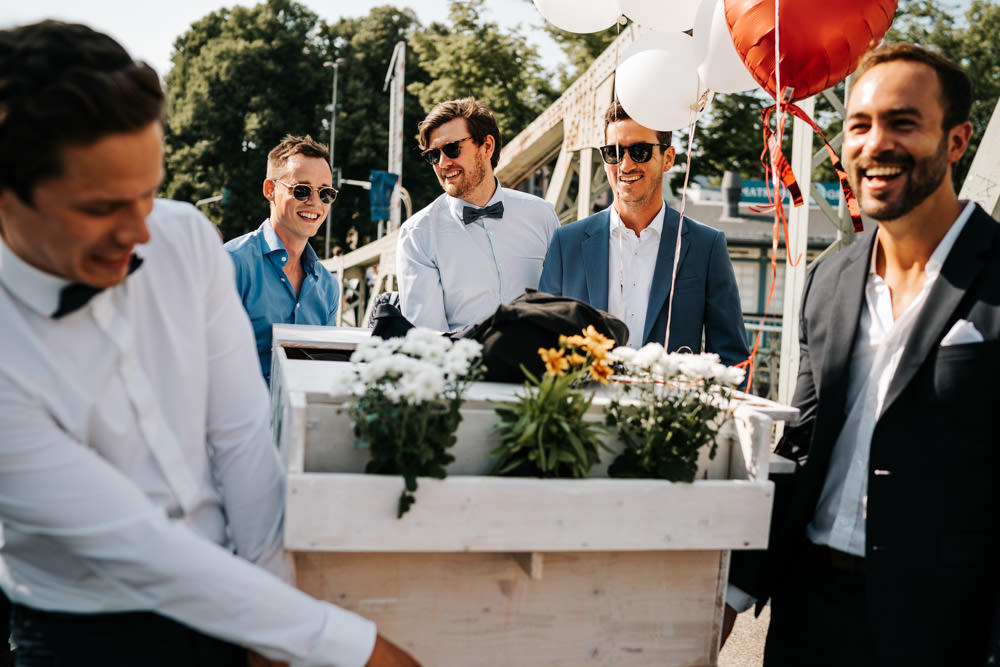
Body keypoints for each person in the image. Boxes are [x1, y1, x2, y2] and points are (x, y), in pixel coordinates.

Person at [0, 20, 418, 667]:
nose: (143, 233)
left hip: (242, 592)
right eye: (104, 206)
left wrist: (268, 611)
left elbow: (242, 433)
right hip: (81, 634)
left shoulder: (185, 237)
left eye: (149, 193)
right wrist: (350, 648)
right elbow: (141, 546)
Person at [724, 43, 1000, 666]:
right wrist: (733, 593)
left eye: (903, 122)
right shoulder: (831, 278)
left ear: (957, 141)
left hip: (942, 627)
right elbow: (799, 443)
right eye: (859, 124)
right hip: (809, 614)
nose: (876, 143)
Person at [538, 101, 749, 367]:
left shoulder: (706, 246)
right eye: (613, 153)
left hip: (668, 405)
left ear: (668, 158)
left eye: (640, 151)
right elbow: (543, 341)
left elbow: (733, 358)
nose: (625, 166)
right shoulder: (566, 243)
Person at [396, 97, 559, 331]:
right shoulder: (417, 234)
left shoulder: (542, 215)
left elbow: (561, 308)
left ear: (487, 146)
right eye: (433, 155)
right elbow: (428, 337)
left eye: (452, 149)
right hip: (465, 366)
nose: (443, 163)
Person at [225, 135, 339, 384]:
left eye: (326, 193)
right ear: (270, 190)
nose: (315, 202)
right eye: (302, 190)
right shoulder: (232, 265)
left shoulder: (328, 287)